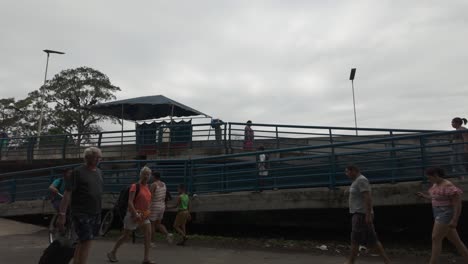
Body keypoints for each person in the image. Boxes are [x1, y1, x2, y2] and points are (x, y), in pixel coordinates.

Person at [58, 147, 103, 264]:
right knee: (87, 240)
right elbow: (67, 193)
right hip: (81, 212)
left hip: (95, 211)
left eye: (100, 157)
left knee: (83, 240)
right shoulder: (77, 172)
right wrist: (62, 214)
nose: (99, 159)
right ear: (87, 158)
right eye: (96, 157)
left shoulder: (99, 172)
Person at [417, 167, 468, 264]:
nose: (428, 180)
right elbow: (437, 197)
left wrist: (455, 220)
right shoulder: (436, 184)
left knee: (435, 238)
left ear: (436, 175)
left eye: (429, 177)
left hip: (446, 213)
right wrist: (425, 196)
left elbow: (457, 204)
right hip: (437, 212)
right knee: (456, 241)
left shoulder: (448, 185)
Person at [107, 167, 155, 264]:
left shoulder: (148, 187)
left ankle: (146, 258)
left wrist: (148, 211)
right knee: (126, 236)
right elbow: (130, 202)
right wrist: (135, 214)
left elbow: (149, 201)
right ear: (140, 174)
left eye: (148, 174)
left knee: (148, 235)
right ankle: (112, 252)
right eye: (144, 174)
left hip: (144, 215)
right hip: (132, 214)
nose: (146, 176)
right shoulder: (135, 186)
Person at [344, 165, 390, 264]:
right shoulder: (357, 181)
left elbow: (367, 197)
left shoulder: (361, 180)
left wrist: (368, 215)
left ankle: (350, 262)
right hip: (360, 214)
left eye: (347, 172)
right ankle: (387, 261)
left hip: (360, 214)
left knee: (355, 239)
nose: (346, 174)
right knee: (373, 240)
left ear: (353, 171)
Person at [149, 171, 173, 244]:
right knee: (158, 224)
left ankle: (152, 242)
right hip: (162, 206)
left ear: (154, 177)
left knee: (152, 225)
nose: (150, 177)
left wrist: (148, 206)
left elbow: (151, 197)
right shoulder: (164, 184)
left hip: (154, 206)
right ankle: (167, 234)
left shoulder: (153, 185)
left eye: (151, 176)